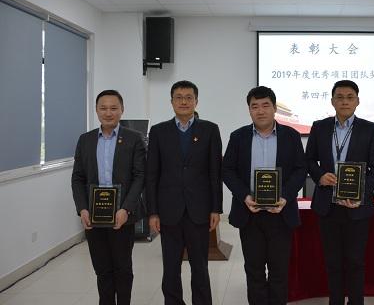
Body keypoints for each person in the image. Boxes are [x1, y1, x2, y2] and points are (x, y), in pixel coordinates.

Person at [222, 86, 306, 305]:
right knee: (254, 271)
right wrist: (244, 196)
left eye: (265, 105)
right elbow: (227, 170)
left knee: (279, 271)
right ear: (249, 110)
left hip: (281, 214)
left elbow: (300, 170)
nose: (260, 111)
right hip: (249, 214)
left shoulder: (291, 136)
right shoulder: (238, 137)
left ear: (275, 108)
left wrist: (285, 197)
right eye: (254, 106)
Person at [305, 80, 374, 305]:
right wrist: (320, 175)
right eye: (339, 97)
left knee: (356, 261)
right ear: (332, 101)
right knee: (333, 262)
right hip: (327, 205)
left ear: (357, 101)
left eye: (350, 97)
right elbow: (308, 160)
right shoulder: (319, 127)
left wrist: (361, 193)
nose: (345, 101)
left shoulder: (370, 129)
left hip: (357, 207)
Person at [146, 80, 223, 305]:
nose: (184, 102)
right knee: (171, 269)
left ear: (196, 101)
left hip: (199, 210)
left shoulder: (210, 130)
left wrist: (216, 208)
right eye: (178, 97)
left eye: (189, 97)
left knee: (200, 267)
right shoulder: (158, 131)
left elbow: (215, 173)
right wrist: (153, 212)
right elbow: (152, 174)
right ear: (171, 102)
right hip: (168, 211)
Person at [71, 90, 145, 305]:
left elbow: (140, 176)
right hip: (93, 216)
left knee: (123, 268)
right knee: (102, 269)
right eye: (103, 108)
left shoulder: (134, 139)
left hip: (122, 214)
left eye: (114, 108)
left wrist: (126, 208)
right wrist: (82, 208)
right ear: (96, 110)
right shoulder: (85, 140)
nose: (108, 113)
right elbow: (78, 178)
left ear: (122, 110)